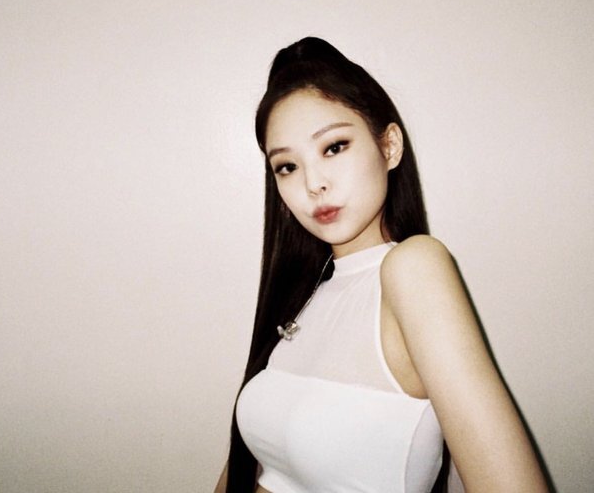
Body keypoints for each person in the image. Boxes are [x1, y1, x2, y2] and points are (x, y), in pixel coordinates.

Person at [214, 37, 548, 492]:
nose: (313, 184)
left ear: (389, 146)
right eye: (287, 167)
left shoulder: (412, 268)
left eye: (334, 147)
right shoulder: (305, 294)